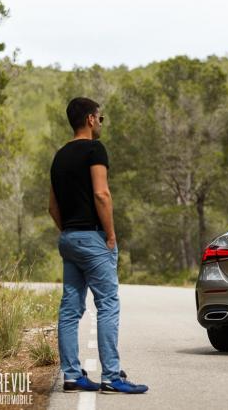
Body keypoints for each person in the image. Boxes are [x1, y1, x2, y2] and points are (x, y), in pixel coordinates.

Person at [48, 97, 148, 394]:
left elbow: (52, 207)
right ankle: (111, 377)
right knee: (107, 304)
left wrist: (70, 233)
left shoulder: (59, 156)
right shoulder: (95, 149)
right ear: (91, 119)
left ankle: (71, 375)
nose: (101, 123)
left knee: (70, 309)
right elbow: (102, 194)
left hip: (68, 238)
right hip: (93, 237)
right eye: (100, 118)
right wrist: (111, 235)